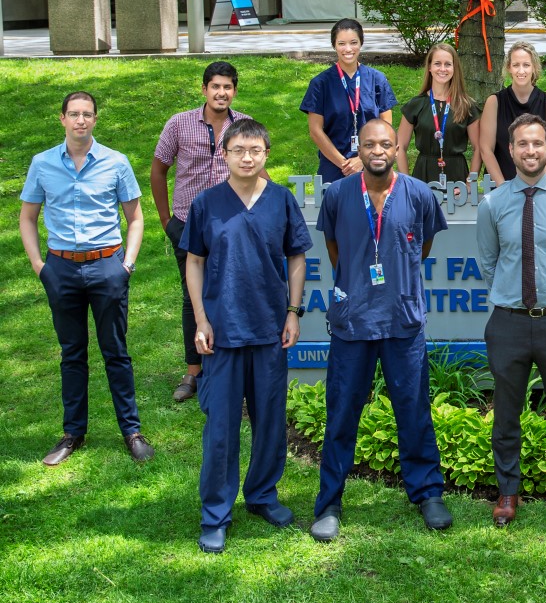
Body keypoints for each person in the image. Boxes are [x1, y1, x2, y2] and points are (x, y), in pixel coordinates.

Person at [310, 119, 452, 542]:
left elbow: (422, 247)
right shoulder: (338, 195)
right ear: (359, 148)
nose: (377, 151)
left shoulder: (419, 194)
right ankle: (329, 502)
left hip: (402, 320)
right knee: (341, 413)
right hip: (353, 321)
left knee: (413, 409)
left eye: (386, 144)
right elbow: (335, 249)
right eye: (370, 144)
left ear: (396, 149)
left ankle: (427, 492)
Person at [182, 120, 312, 554]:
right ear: (225, 154)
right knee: (221, 428)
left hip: (270, 330)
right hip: (222, 332)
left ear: (266, 154)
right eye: (238, 150)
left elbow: (296, 257)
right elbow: (194, 262)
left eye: (255, 150)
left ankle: (262, 495)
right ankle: (215, 513)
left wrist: (293, 312)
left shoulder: (281, 201)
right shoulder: (207, 204)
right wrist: (201, 320)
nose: (247, 157)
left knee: (270, 422)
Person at [19, 91, 154, 466]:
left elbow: (135, 218)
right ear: (62, 118)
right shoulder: (42, 163)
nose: (81, 120)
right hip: (60, 269)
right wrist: (39, 266)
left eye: (87, 114)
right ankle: (72, 433)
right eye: (74, 114)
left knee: (116, 352)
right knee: (72, 353)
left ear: (95, 119)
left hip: (107, 267)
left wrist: (126, 265)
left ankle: (132, 432)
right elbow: (27, 217)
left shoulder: (116, 162)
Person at [477, 113, 546, 529]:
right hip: (507, 322)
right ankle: (508, 492)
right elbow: (489, 263)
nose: (530, 151)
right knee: (506, 414)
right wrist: (512, 295)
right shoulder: (493, 204)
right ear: (511, 151)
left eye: (537, 143)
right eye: (522, 144)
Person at [151, 61, 255, 403]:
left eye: (227, 87)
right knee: (191, 297)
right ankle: (193, 370)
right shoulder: (179, 123)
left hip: (230, 225)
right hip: (186, 223)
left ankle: (229, 364)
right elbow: (158, 170)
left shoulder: (244, 125)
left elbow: (256, 170)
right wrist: (167, 221)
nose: (221, 93)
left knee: (232, 291)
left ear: (234, 91)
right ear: (204, 89)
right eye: (215, 87)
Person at [300, 18, 397, 183]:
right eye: (341, 43)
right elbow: (315, 131)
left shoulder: (377, 79)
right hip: (334, 165)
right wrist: (343, 164)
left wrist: (362, 160)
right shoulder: (320, 83)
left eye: (353, 42)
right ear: (334, 45)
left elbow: (386, 127)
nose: (348, 49)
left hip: (373, 162)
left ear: (361, 43)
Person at [397, 42, 482, 184]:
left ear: (454, 68)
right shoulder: (416, 105)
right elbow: (400, 147)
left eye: (448, 64)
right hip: (423, 175)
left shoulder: (467, 106)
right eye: (437, 64)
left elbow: (478, 148)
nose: (443, 69)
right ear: (430, 67)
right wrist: (408, 183)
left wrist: (469, 184)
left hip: (457, 177)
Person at [478, 41, 546, 183]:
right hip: (502, 184)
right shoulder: (494, 102)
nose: (521, 71)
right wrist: (502, 186)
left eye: (526, 65)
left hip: (541, 186)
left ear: (534, 67)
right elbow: (486, 149)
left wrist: (537, 186)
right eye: (516, 65)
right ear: (509, 67)